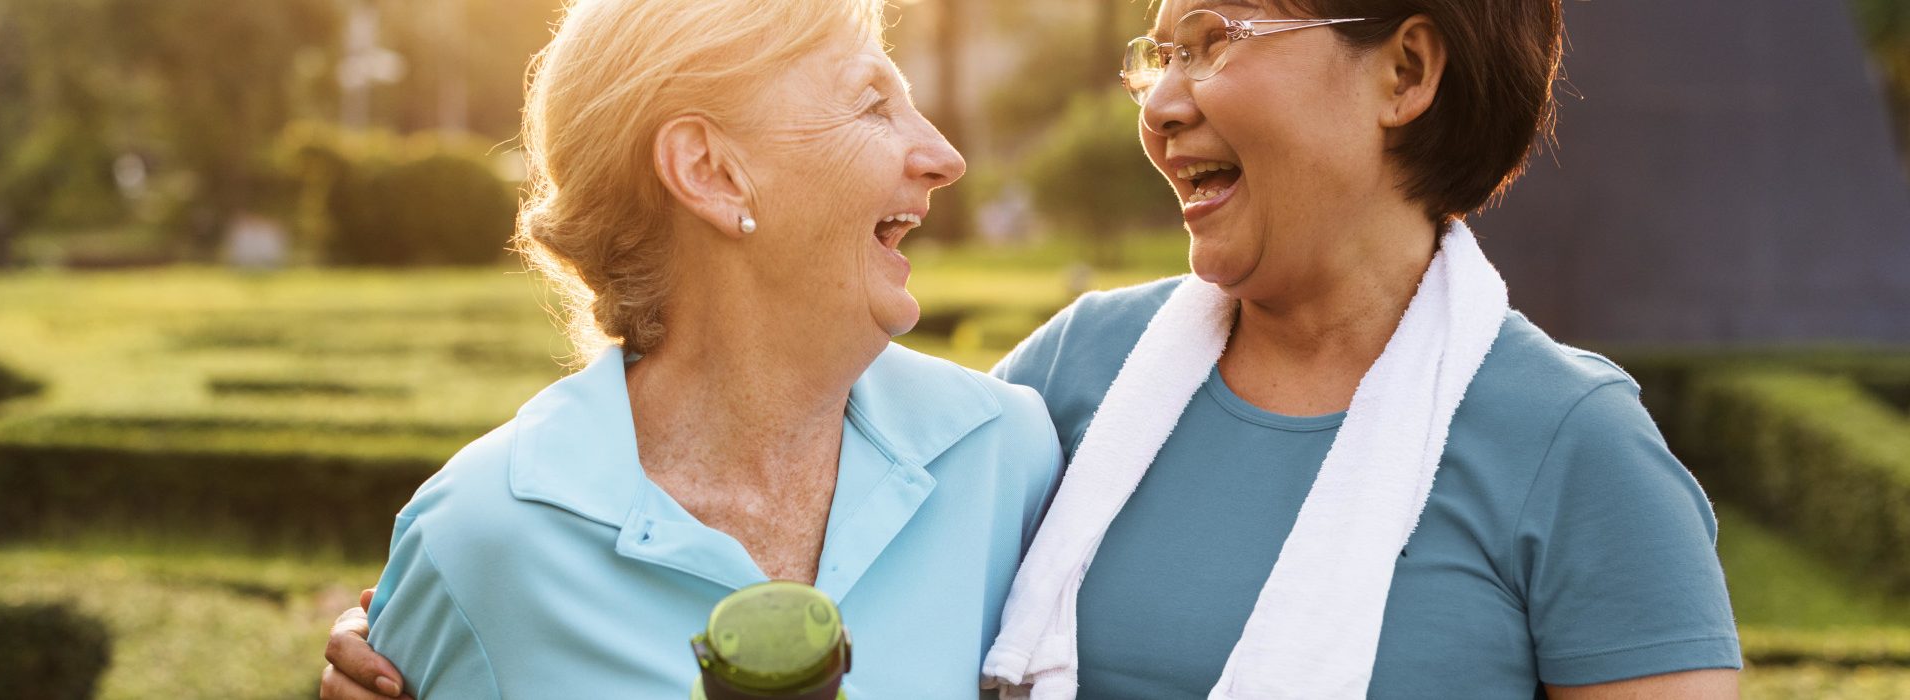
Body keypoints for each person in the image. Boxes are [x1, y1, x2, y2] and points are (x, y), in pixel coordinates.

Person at [328, 0, 1742, 697]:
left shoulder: (1575, 453)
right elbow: (775, 471)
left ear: (1407, 74)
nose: (1163, 99)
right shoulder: (1065, 393)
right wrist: (410, 647)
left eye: (1211, 37)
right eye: (1157, 49)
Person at [317, 0, 1063, 696]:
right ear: (710, 172)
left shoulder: (1007, 456)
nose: (944, 155)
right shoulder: (476, 544)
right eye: (872, 104)